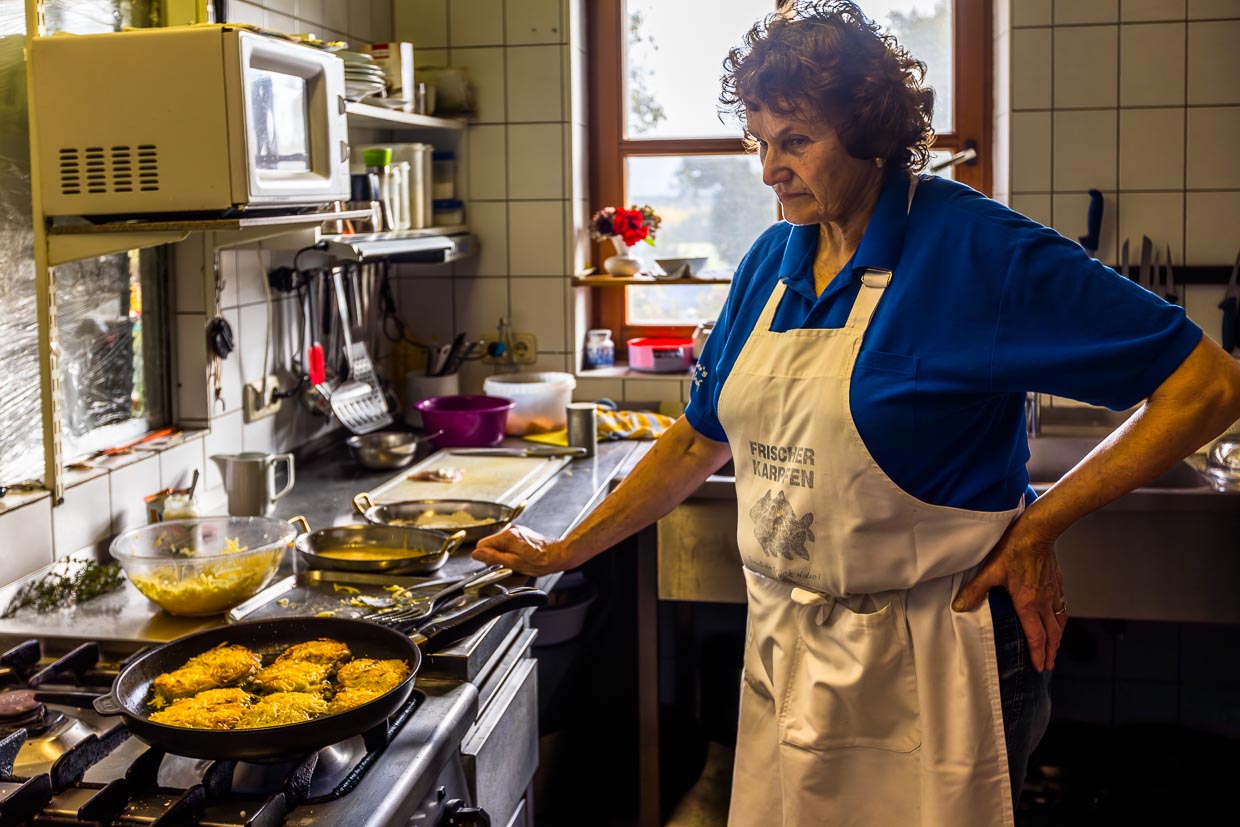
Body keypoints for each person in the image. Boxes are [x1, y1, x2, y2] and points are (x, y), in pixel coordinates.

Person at [474, 2, 1240, 824]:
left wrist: (1041, 525)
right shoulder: (771, 260)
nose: (770, 168)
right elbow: (700, 437)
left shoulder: (979, 252)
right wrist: (561, 550)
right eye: (760, 142)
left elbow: (1207, 384)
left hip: (939, 656)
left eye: (796, 140)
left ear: (872, 132)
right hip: (788, 647)